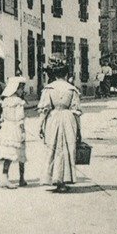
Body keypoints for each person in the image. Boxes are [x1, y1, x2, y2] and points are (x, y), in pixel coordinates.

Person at [38, 56, 82, 192]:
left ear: (54, 74)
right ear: (66, 74)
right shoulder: (72, 89)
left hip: (53, 117)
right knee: (67, 147)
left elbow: (44, 109)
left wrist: (40, 125)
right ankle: (63, 180)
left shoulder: (49, 88)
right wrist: (79, 129)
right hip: (68, 118)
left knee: (53, 147)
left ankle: (53, 179)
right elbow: (76, 110)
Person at [0, 76, 27, 188]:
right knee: (20, 153)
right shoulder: (18, 102)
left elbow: (2, 116)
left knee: (9, 153)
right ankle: (21, 178)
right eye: (21, 88)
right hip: (16, 128)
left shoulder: (5, 101)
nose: (22, 91)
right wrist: (22, 131)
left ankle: (5, 176)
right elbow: (20, 118)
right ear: (15, 88)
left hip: (7, 127)